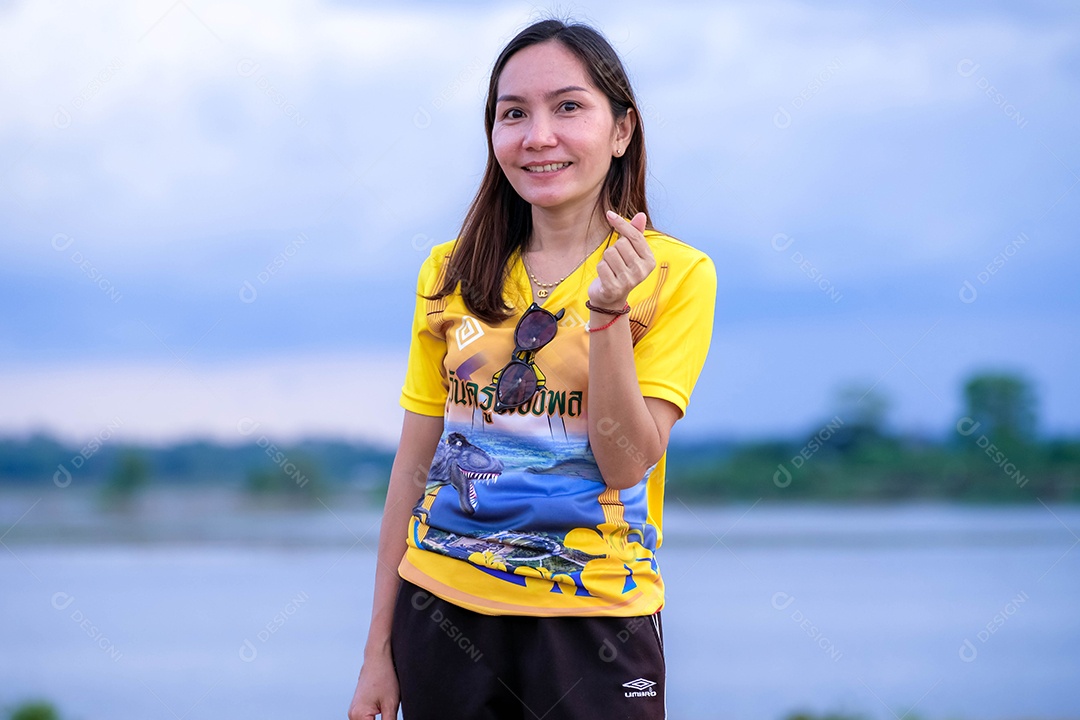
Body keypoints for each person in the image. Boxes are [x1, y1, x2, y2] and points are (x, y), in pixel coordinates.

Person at [348, 17, 715, 720]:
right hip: (442, 612)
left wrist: (607, 314)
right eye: (513, 113)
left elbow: (625, 463)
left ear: (622, 130)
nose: (538, 136)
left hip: (597, 620)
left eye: (568, 107)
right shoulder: (447, 272)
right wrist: (377, 650)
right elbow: (414, 468)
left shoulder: (676, 274)